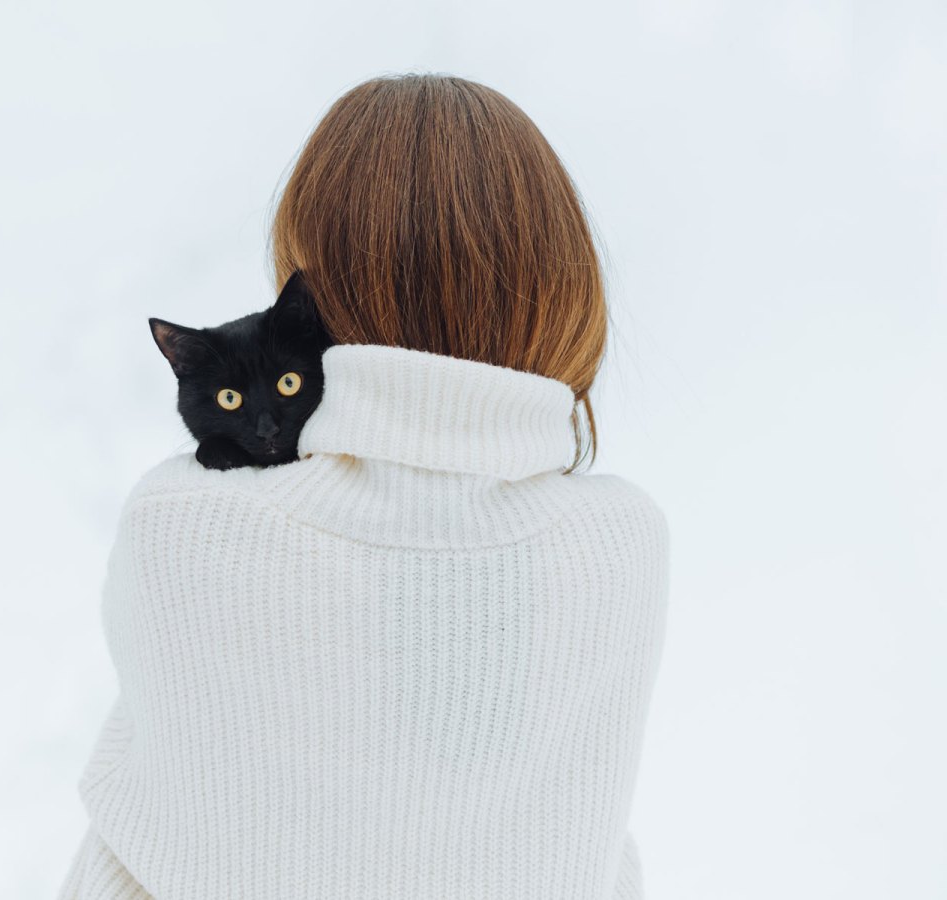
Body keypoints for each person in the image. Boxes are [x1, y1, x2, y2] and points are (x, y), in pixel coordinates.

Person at [57, 72, 669, 900]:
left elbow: (131, 855)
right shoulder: (621, 546)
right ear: (561, 286)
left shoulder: (185, 527)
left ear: (313, 294)